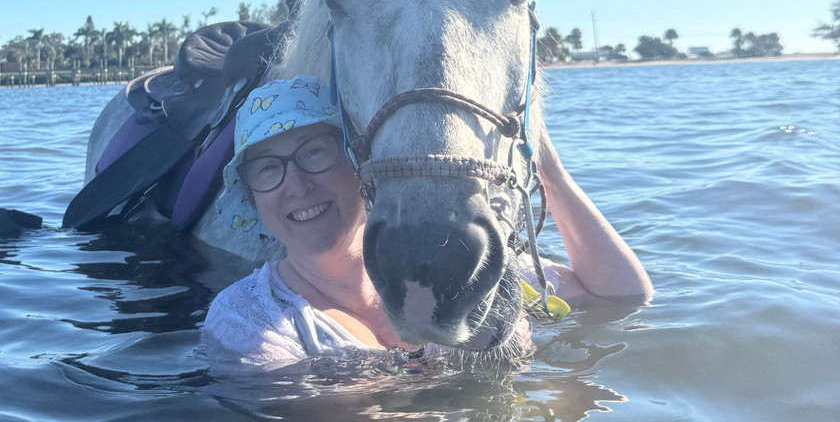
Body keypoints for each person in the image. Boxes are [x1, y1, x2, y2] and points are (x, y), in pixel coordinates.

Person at [201, 75, 652, 370]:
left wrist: (545, 162)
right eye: (267, 169)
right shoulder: (246, 319)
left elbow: (624, 297)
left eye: (314, 152)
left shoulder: (451, 265)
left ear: (362, 162)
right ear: (252, 196)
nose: (295, 185)